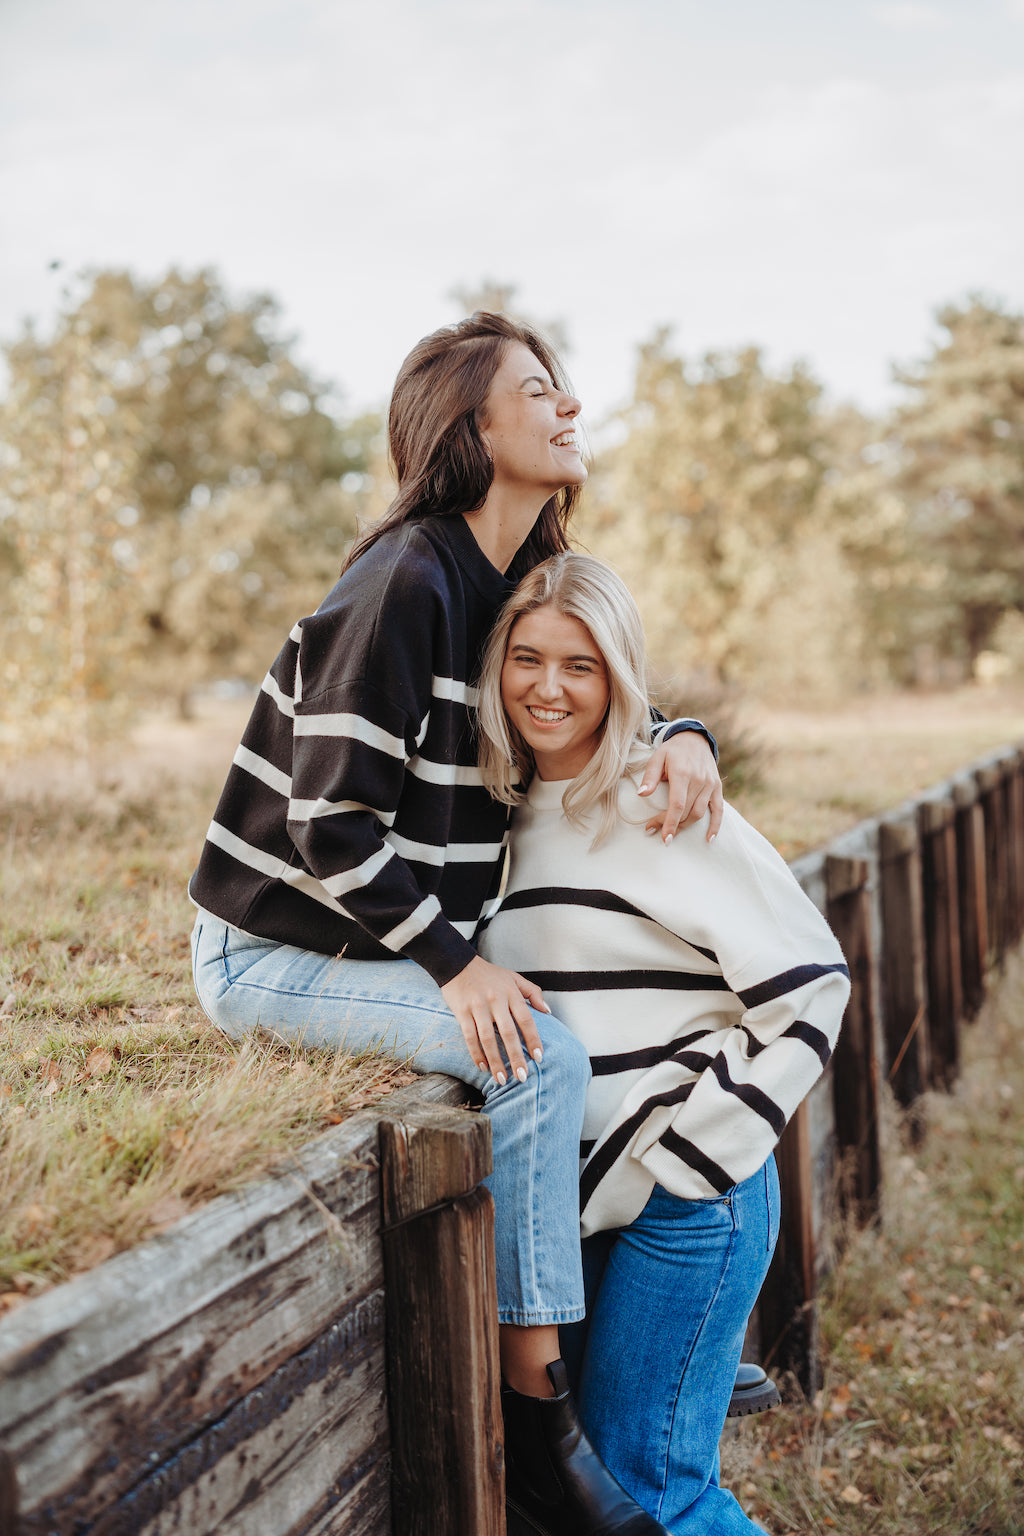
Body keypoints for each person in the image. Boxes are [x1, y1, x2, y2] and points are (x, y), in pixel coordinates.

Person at [189, 313, 723, 1536]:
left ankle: (602, 1372)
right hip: (274, 947)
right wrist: (456, 965)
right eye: (539, 392)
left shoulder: (492, 588)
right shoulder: (404, 582)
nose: (568, 407)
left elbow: (575, 695)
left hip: (364, 940)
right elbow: (327, 821)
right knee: (535, 1055)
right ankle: (538, 1423)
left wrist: (681, 734)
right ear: (471, 430)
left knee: (567, 1031)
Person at [475, 552, 851, 1535]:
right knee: (588, 1494)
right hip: (580, 1209)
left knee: (653, 1488)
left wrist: (698, 1151)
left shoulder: (664, 801)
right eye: (526, 658)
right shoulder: (490, 820)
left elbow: (813, 989)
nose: (547, 688)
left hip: (686, 1199)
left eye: (580, 666)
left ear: (618, 678)